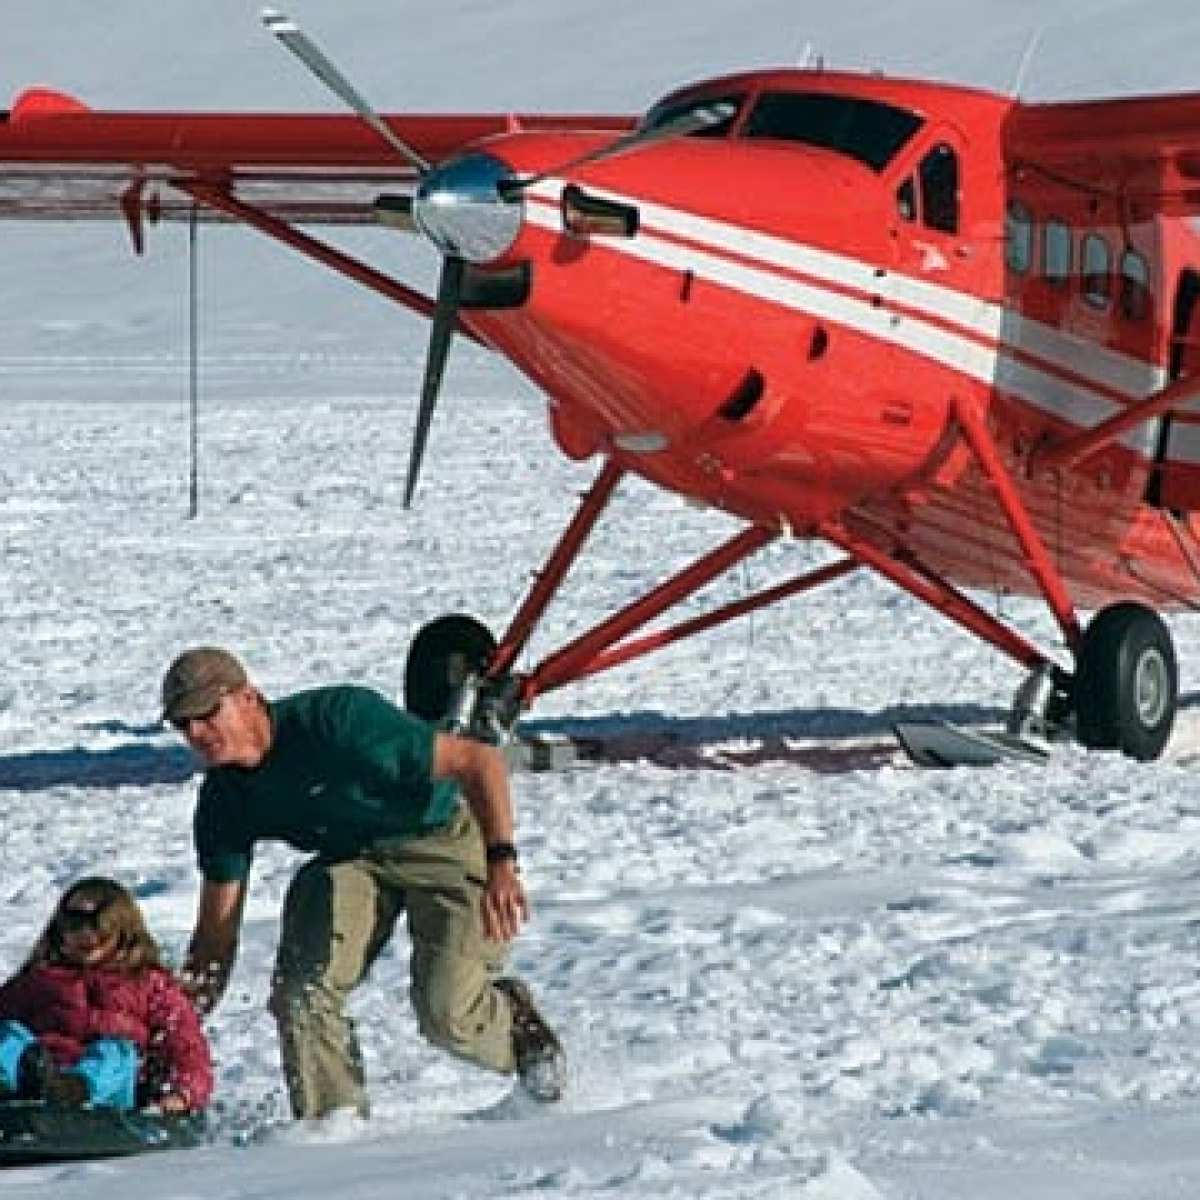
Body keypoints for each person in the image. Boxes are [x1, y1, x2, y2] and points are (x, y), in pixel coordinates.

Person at [161, 645, 564, 1121]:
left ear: (249, 698)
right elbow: (216, 936)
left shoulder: (338, 721)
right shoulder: (224, 801)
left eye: (207, 714)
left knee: (447, 1011)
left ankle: (517, 1030)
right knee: (301, 995)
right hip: (352, 857)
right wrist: (171, 1032)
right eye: (183, 725)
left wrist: (501, 860)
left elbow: (479, 762)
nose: (196, 733)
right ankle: (336, 1134)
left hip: (440, 835)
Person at [0, 876, 213, 1113]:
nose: (85, 934)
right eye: (73, 924)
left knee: (116, 1051)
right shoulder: (37, 981)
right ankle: (14, 1086)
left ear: (122, 930)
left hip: (110, 1094)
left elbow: (185, 1045)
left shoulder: (148, 985)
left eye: (97, 925)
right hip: (39, 1075)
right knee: (10, 1034)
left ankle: (73, 1090)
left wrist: (183, 1093)